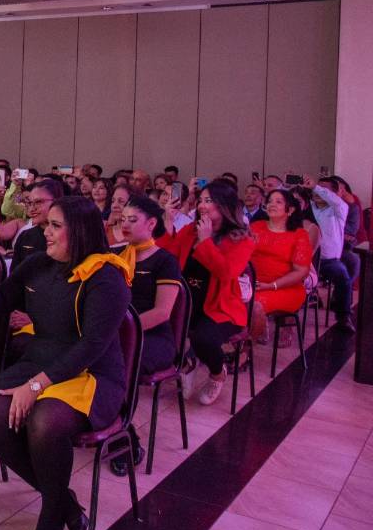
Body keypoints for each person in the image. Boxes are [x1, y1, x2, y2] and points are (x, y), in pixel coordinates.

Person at [0, 196, 131, 530]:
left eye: (56, 226)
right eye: (47, 225)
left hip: (92, 374)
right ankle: (63, 502)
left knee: (44, 421)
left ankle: (50, 515)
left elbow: (92, 346)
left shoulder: (106, 277)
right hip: (40, 359)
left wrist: (36, 385)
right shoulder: (36, 265)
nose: (46, 232)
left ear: (81, 231)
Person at [157, 180, 255, 405]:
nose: (201, 205)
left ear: (224, 205)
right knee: (156, 328)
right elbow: (167, 257)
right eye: (200, 200)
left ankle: (217, 373)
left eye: (208, 201)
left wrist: (206, 241)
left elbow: (226, 273)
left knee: (204, 338)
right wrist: (168, 223)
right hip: (186, 302)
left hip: (220, 307)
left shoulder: (242, 238)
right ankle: (187, 363)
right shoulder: (191, 230)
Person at [109, 195, 181, 475]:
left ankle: (124, 436)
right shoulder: (115, 257)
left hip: (153, 337)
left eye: (133, 220)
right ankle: (110, 426)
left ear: (152, 223)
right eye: (122, 219)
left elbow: (163, 312)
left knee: (116, 363)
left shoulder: (164, 260)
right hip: (117, 333)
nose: (125, 225)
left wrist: (119, 330)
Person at [249, 188, 311, 346]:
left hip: (285, 288)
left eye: (278, 202)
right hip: (254, 284)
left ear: (290, 209)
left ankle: (244, 352)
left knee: (254, 305)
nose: (272, 205)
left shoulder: (299, 234)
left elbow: (301, 272)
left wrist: (271, 285)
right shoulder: (256, 227)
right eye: (269, 201)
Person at [309, 176, 354, 331]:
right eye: (316, 188)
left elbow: (336, 201)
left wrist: (316, 186)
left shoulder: (339, 209)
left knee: (343, 275)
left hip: (327, 261)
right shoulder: (308, 207)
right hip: (305, 260)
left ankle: (343, 317)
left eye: (324, 189)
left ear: (334, 194)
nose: (317, 191)